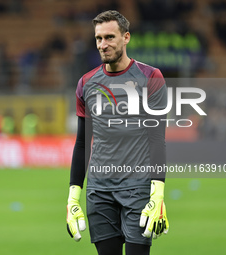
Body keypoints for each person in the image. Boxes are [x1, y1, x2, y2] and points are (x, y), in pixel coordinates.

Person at [66, 10, 169, 255]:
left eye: (110, 37)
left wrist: (158, 193)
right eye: (99, 38)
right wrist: (73, 197)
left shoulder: (151, 77)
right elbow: (82, 143)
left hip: (137, 187)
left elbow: (157, 140)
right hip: (99, 190)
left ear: (126, 38)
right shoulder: (86, 83)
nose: (103, 44)